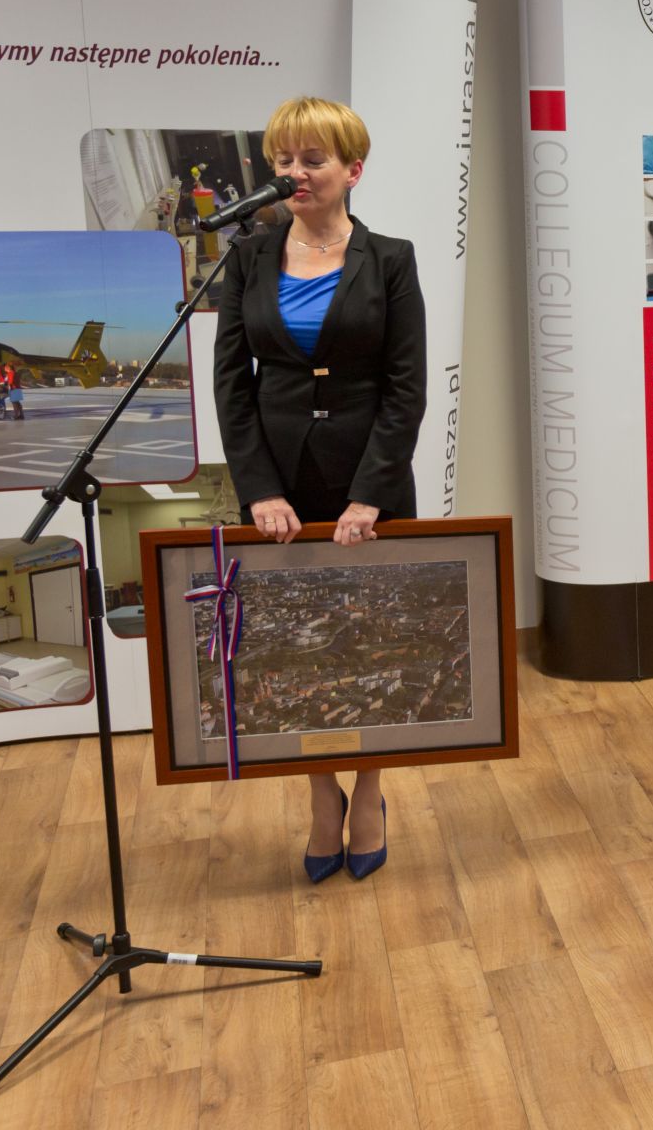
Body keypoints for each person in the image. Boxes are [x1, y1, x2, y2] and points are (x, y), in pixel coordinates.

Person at [214, 96, 426, 884]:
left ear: (352, 171)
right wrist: (259, 489)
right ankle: (318, 792)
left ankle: (368, 789)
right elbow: (232, 386)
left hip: (370, 476)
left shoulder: (391, 258)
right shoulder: (247, 258)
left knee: (374, 640)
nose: (293, 173)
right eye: (283, 160)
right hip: (279, 483)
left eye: (311, 160)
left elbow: (406, 386)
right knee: (292, 644)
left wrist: (371, 494)